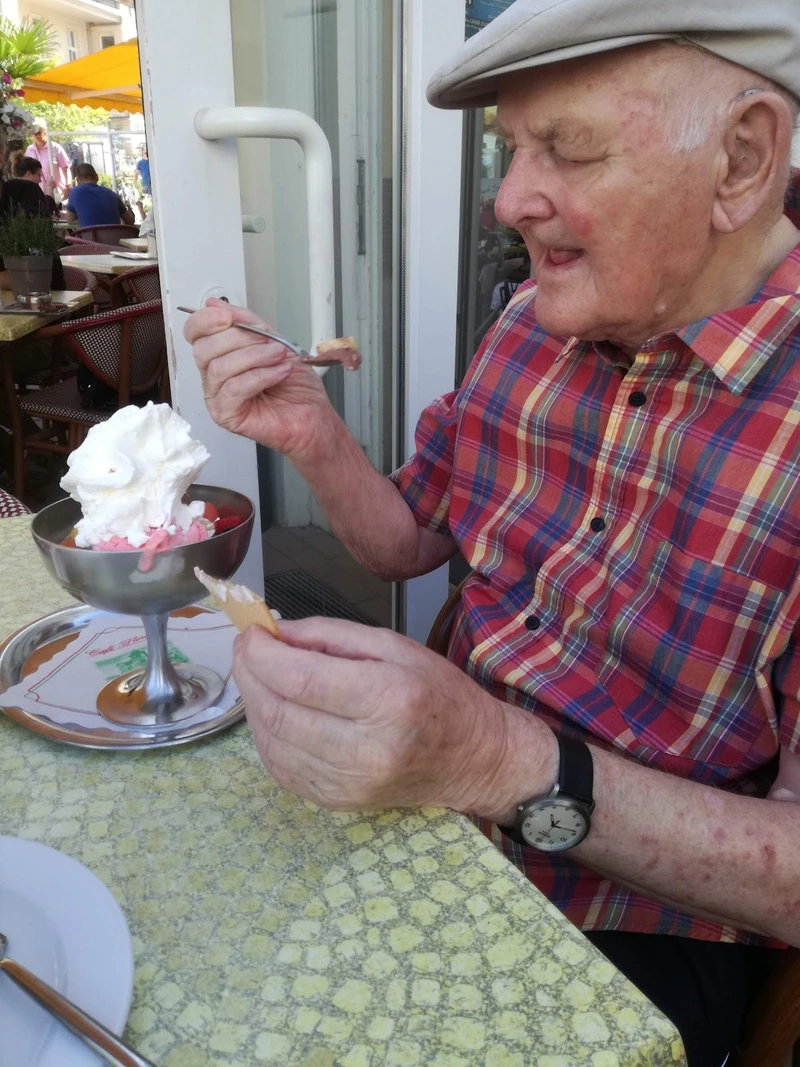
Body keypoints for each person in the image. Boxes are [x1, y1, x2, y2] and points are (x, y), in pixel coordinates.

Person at [185, 2, 800, 1063]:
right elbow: (407, 539)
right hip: (429, 804)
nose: (505, 198)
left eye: (566, 148)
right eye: (509, 148)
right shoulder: (528, 321)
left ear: (740, 160)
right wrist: (309, 428)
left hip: (640, 916)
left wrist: (496, 759)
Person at [64, 163, 135, 228]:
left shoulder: (74, 192)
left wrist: (88, 222)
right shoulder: (112, 195)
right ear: (97, 177)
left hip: (88, 240)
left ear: (78, 180)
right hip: (114, 240)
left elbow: (70, 220)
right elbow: (130, 221)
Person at [25, 119, 70, 200]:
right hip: (36, 192)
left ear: (45, 132)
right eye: (34, 134)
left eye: (39, 133)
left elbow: (65, 168)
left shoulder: (55, 148)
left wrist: (68, 186)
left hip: (56, 192)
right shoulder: (29, 150)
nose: (37, 136)